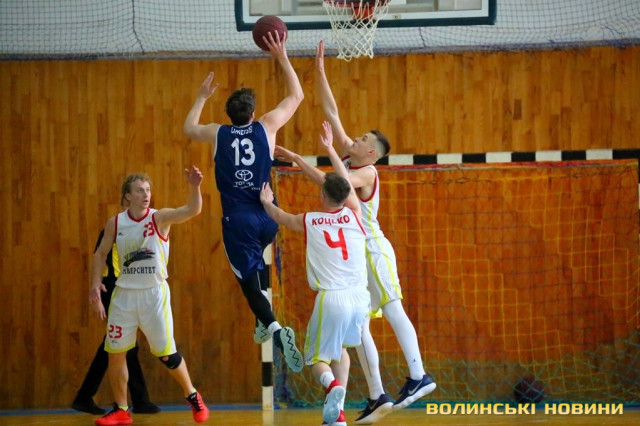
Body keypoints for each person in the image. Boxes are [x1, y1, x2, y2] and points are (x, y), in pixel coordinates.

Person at [276, 40, 438, 424]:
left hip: (373, 247)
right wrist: (320, 72)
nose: (357, 140)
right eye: (360, 136)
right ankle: (377, 393)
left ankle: (418, 375)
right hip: (354, 261)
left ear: (372, 154)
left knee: (393, 307)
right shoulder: (352, 156)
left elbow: (336, 185)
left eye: (364, 140)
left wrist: (304, 159)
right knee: (361, 326)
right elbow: (331, 111)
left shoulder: (366, 172)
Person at [183, 30, 304, 372]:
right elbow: (296, 95)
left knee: (247, 283)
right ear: (252, 113)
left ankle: (275, 329)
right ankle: (261, 321)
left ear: (230, 114)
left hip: (238, 220)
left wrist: (201, 96)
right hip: (268, 215)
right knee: (257, 260)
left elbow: (189, 128)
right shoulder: (267, 126)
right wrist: (281, 56)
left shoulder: (217, 133)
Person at [260, 121, 370, 426]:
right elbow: (343, 181)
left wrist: (266, 203)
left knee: (317, 360)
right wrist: (330, 150)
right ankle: (338, 415)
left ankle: (332, 386)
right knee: (342, 351)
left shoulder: (310, 220)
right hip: (359, 298)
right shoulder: (355, 213)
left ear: (322, 195)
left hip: (332, 298)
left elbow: (281, 217)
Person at [89, 166, 209, 425]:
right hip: (124, 296)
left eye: (148, 190)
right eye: (139, 191)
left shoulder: (159, 218)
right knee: (116, 353)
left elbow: (192, 210)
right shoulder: (116, 223)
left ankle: (192, 394)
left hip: (153, 295)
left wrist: (194, 186)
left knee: (166, 354)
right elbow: (100, 254)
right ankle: (121, 409)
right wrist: (95, 284)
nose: (146, 195)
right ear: (127, 196)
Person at [73, 219, 160, 415]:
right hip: (112, 288)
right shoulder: (114, 228)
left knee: (118, 345)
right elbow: (99, 259)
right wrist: (97, 292)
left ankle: (86, 397)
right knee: (121, 345)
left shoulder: (138, 231)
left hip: (125, 288)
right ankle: (137, 401)